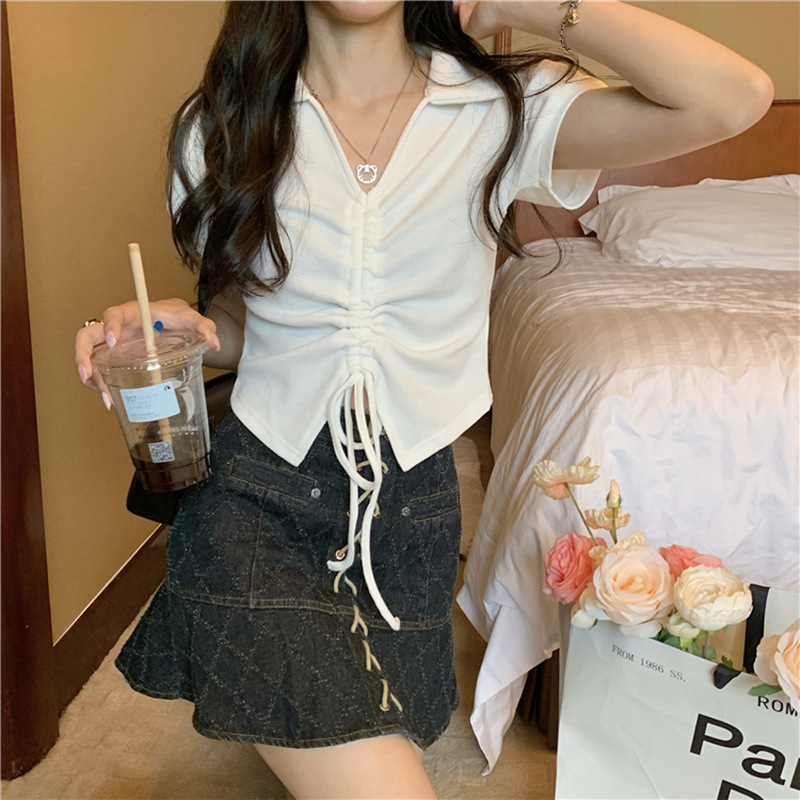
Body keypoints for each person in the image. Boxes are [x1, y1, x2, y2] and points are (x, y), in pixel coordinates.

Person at [74, 2, 772, 797]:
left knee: (378, 729)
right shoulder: (221, 124)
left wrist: (521, 5)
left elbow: (732, 98)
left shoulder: (500, 108)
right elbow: (240, 323)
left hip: (410, 512)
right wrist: (186, 328)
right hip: (255, 494)